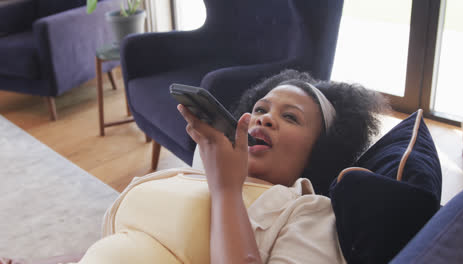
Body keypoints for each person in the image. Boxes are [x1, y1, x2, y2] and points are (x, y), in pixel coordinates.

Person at [67, 69, 387, 264]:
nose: (264, 118)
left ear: (319, 152)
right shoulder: (195, 175)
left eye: (290, 117)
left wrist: (226, 190)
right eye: (260, 108)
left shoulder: (307, 213)